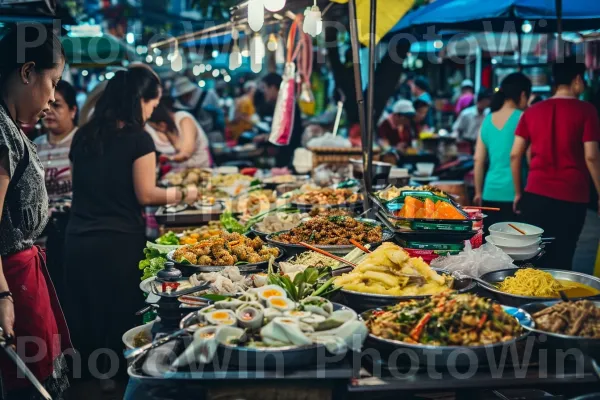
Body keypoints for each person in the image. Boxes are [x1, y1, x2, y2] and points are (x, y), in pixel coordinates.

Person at [64, 68, 199, 387]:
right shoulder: (139, 138)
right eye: (153, 104)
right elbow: (147, 194)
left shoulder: (83, 134)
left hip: (78, 238)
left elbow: (77, 185)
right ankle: (122, 382)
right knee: (120, 312)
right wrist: (186, 193)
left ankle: (92, 380)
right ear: (140, 100)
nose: (153, 111)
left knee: (88, 311)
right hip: (118, 241)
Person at [0, 24, 70, 399]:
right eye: (53, 82)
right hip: (12, 281)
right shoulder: (1, 132)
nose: (51, 98)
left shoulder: (12, 128)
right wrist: (2, 297)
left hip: (23, 277)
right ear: (27, 72)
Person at [511, 57, 600, 270]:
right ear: (577, 79)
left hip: (536, 193)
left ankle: (532, 300)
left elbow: (515, 155)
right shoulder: (586, 111)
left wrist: (518, 193)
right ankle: (558, 301)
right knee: (564, 253)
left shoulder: (532, 111)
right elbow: (591, 156)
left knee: (534, 256)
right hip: (572, 195)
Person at [473, 73, 531, 231]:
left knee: (493, 247)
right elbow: (529, 158)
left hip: (489, 192)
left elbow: (478, 160)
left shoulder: (487, 120)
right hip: (515, 196)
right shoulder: (523, 117)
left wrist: (478, 192)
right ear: (523, 94)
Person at [35, 80, 78, 201]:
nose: (48, 111)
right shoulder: (35, 145)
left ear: (72, 111)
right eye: (45, 104)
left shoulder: (82, 141)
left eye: (56, 105)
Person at [147, 96, 211, 168]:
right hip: (179, 173)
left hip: (201, 168)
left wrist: (168, 158)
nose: (158, 129)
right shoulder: (164, 129)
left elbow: (185, 154)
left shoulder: (184, 119)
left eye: (157, 126)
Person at [257, 73, 303, 168]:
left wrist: (268, 138)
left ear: (273, 88)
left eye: (265, 88)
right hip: (285, 154)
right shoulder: (281, 103)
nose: (264, 92)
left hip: (289, 157)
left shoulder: (287, 104)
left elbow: (289, 133)